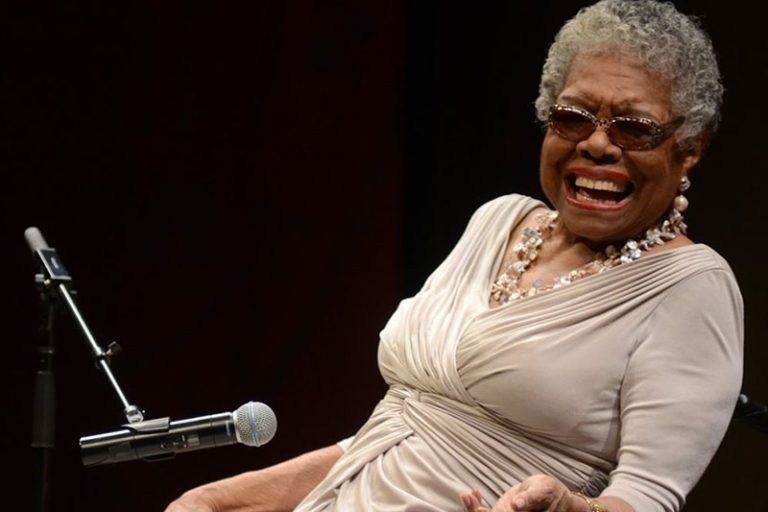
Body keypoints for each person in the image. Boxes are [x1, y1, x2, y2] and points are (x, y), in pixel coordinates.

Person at [165, 1, 743, 511]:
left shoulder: (691, 287)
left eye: (634, 128)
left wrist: (573, 510)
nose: (595, 142)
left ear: (688, 149)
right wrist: (218, 498)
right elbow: (392, 440)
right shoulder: (498, 220)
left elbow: (647, 496)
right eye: (573, 117)